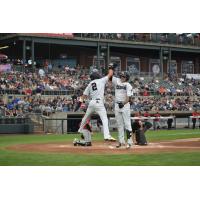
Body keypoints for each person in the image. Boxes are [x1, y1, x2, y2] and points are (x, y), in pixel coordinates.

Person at [74, 66, 116, 146]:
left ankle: (80, 129)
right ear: (97, 76)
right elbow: (110, 74)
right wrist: (110, 67)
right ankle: (107, 135)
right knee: (104, 119)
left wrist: (78, 104)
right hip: (99, 103)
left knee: (85, 117)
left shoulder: (90, 84)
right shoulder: (101, 80)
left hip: (91, 103)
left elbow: (83, 96)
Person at [110, 70, 133, 149]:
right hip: (117, 105)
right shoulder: (117, 81)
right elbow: (109, 76)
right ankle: (121, 141)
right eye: (121, 76)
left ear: (126, 78)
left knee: (127, 124)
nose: (121, 77)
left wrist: (123, 103)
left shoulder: (128, 85)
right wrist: (111, 68)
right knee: (119, 124)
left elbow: (128, 98)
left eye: (123, 76)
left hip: (125, 105)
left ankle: (129, 142)